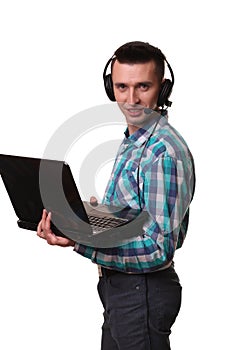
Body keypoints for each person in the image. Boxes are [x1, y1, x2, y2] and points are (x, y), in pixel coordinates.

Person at [37, 41, 195, 349]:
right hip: (122, 290)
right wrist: (93, 218)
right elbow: (139, 217)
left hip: (141, 292)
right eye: (122, 87)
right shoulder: (135, 140)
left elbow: (158, 248)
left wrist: (81, 241)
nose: (131, 99)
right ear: (111, 88)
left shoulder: (162, 152)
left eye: (143, 86)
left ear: (162, 90)